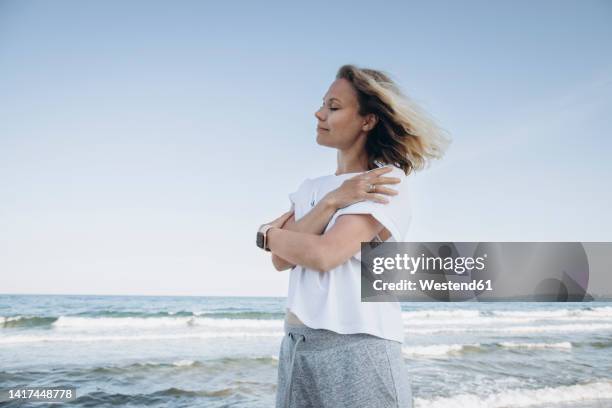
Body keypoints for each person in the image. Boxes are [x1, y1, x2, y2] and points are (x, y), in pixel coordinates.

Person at [256, 64, 449, 408]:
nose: (319, 114)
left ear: (367, 120)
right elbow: (281, 260)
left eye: (333, 107)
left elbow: (325, 254)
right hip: (297, 347)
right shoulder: (309, 189)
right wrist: (333, 200)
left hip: (359, 347)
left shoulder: (385, 181)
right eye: (322, 105)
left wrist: (269, 233)